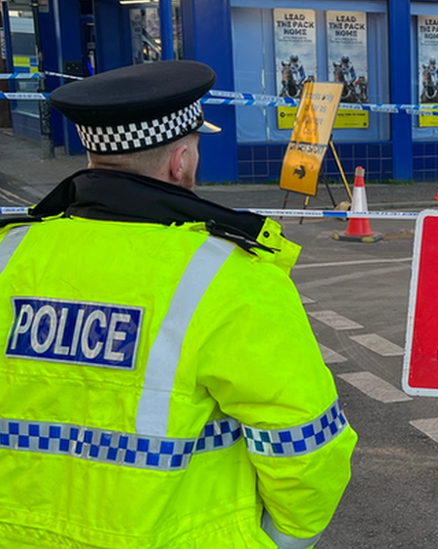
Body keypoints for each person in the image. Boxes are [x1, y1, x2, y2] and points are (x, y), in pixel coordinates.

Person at [0, 61, 357, 548]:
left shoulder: (10, 255)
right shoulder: (231, 277)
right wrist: (283, 540)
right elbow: (307, 445)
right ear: (180, 161)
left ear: (93, 153)